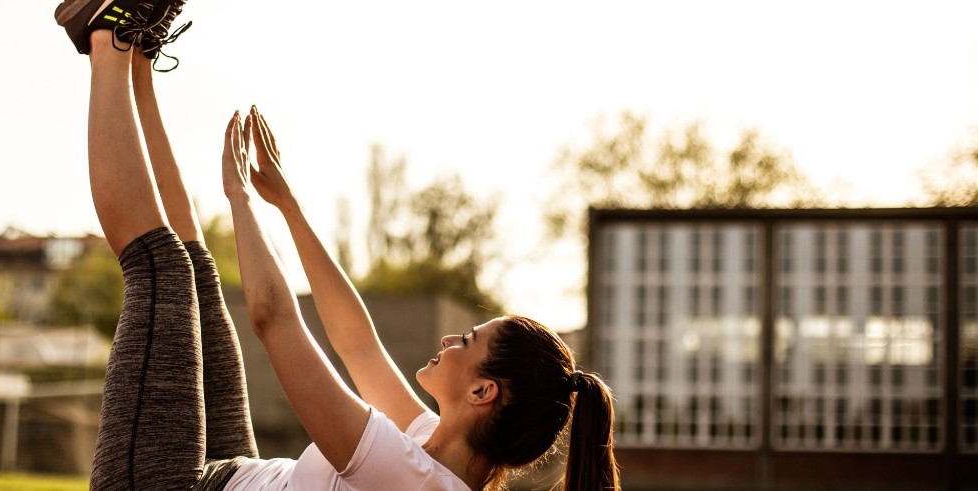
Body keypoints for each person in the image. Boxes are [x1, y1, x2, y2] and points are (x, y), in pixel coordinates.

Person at [56, 0, 621, 489]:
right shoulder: (433, 456)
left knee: (164, 269)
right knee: (200, 275)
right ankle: (138, 62)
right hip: (236, 473)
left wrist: (241, 200)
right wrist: (288, 206)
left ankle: (105, 37)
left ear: (482, 390)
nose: (450, 339)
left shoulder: (406, 480)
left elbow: (273, 318)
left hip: (167, 485)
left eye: (468, 340)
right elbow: (358, 345)